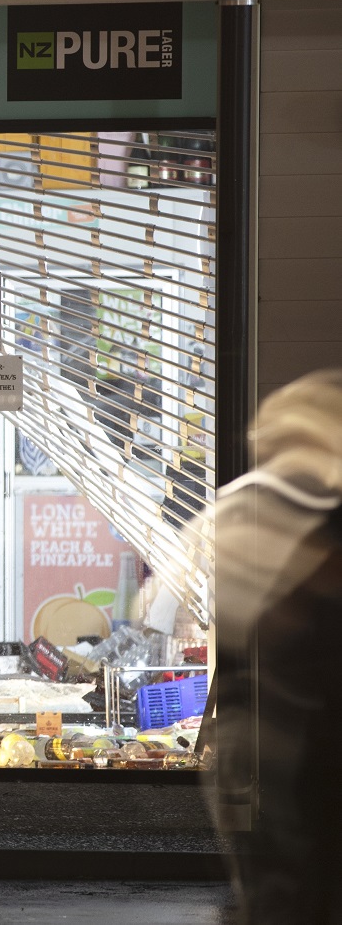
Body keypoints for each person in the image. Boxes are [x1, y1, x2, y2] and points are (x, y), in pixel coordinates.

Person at [206, 369, 342, 923]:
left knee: (292, 874)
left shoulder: (273, 506)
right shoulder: (291, 507)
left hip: (292, 733)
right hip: (291, 731)